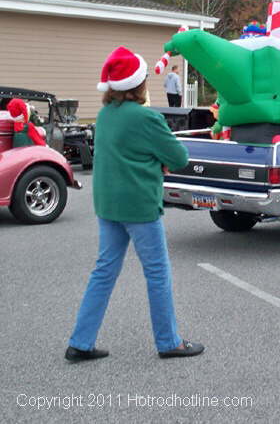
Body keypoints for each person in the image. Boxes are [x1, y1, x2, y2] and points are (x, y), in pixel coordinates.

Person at [66, 46, 204, 361]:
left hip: (108, 204)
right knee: (157, 272)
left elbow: (121, 155)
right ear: (139, 83)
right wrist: (158, 161)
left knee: (103, 271)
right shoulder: (146, 117)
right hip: (139, 205)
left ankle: (81, 341)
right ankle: (169, 341)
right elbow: (179, 157)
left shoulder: (105, 115)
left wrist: (153, 158)